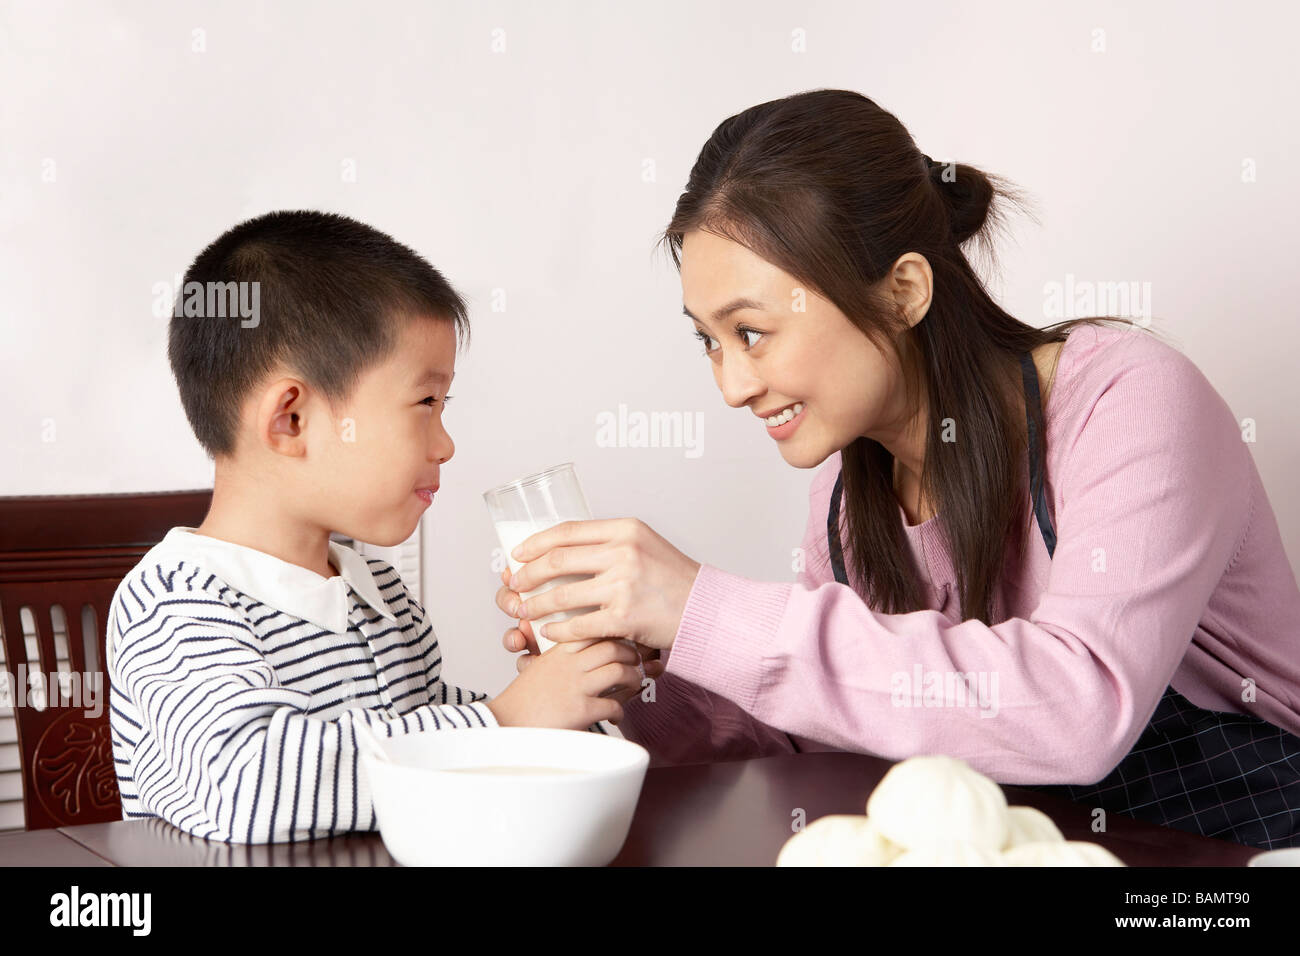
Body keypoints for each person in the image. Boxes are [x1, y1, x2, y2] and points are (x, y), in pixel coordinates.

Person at [497, 89, 1300, 849]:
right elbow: (814, 745)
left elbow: (1081, 710)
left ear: (904, 290)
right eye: (708, 340)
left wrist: (703, 606)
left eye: (752, 332)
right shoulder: (847, 503)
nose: (732, 385)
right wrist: (647, 668)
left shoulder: (1126, 400)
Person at [107, 210, 648, 844]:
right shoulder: (176, 602)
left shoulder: (380, 593)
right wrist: (504, 721)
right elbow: (244, 781)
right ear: (292, 421)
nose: (445, 445)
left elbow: (428, 738)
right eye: (425, 404)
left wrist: (557, 699)